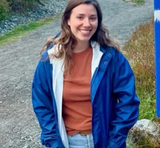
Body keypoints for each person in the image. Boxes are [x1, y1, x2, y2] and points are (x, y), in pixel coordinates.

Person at [31, 0, 140, 148]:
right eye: (80, 17)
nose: (87, 24)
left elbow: (129, 101)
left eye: (92, 18)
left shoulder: (110, 58)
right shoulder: (50, 60)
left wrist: (114, 141)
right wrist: (54, 142)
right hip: (68, 142)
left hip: (105, 140)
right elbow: (42, 105)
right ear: (68, 20)